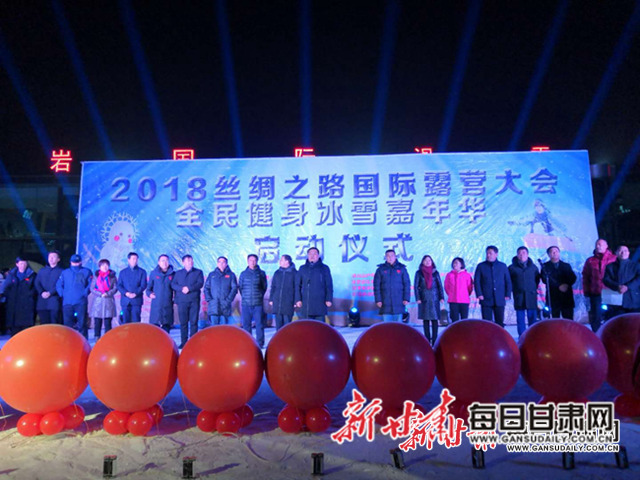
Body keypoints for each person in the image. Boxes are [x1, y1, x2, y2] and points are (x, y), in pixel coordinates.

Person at [582, 238, 616, 332]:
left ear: (606, 246)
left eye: (600, 244)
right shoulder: (590, 260)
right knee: (596, 316)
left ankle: (611, 334)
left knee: (612, 316)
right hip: (596, 292)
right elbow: (586, 277)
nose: (598, 246)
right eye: (597, 244)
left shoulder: (614, 259)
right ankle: (597, 335)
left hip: (611, 292)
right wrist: (586, 291)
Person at [171, 254, 204, 348]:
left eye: (191, 260)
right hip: (182, 301)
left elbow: (200, 283)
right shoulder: (178, 273)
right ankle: (184, 342)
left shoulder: (198, 272)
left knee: (194, 322)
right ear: (183, 262)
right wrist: (182, 288)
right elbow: (173, 284)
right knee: (183, 323)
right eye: (188, 261)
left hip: (194, 301)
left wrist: (189, 288)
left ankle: (193, 342)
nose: (190, 262)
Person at [56, 254, 93, 338]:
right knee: (67, 324)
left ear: (81, 262)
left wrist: (85, 293)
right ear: (70, 262)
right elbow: (59, 284)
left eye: (77, 262)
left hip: (81, 302)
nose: (76, 264)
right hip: (67, 302)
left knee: (82, 323)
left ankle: (83, 340)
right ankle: (68, 340)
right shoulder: (65, 272)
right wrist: (62, 294)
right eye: (74, 262)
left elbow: (91, 284)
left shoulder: (86, 271)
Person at [474, 246, 512, 327]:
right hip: (485, 298)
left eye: (490, 253)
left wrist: (508, 294)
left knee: (499, 322)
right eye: (487, 253)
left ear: (496, 254)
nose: (488, 255)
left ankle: (500, 335)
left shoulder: (502, 266)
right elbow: (477, 281)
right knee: (486, 322)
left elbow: (508, 281)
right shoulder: (481, 266)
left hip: (500, 298)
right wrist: (479, 294)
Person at [508, 246, 541, 338]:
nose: (521, 255)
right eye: (519, 253)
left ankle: (533, 336)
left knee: (532, 317)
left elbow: (537, 279)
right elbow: (509, 281)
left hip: (531, 295)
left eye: (523, 253)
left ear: (527, 254)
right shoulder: (511, 268)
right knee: (520, 318)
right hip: (519, 295)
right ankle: (522, 336)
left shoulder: (533, 267)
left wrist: (532, 288)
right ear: (517, 255)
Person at [295, 247, 333, 321]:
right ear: (307, 255)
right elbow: (297, 285)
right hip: (306, 303)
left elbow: (329, 285)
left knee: (319, 326)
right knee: (307, 326)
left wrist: (329, 299)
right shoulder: (302, 268)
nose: (312, 256)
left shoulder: (324, 268)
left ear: (318, 255)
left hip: (320, 303)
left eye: (314, 254)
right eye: (310, 254)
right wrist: (298, 299)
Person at [239, 254, 268, 347]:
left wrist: (259, 296)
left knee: (259, 324)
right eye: (250, 260)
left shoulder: (261, 273)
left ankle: (260, 343)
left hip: (257, 304)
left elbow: (264, 287)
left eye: (254, 260)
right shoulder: (243, 274)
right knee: (246, 325)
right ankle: (248, 343)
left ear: (257, 261)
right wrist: (246, 297)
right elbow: (241, 288)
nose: (252, 262)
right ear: (247, 261)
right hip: (246, 303)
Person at [414, 255, 444, 345]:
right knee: (426, 320)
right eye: (425, 260)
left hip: (434, 298)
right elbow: (416, 286)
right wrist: (418, 298)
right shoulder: (419, 273)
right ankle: (427, 340)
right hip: (424, 298)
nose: (427, 262)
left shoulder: (435, 272)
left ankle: (435, 340)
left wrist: (441, 297)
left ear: (432, 262)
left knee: (435, 320)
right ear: (422, 262)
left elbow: (440, 286)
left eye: (429, 260)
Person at [3, 257, 37, 336]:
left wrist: (29, 295)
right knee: (14, 332)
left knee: (26, 332)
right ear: (17, 264)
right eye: (21, 263)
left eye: (25, 263)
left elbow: (35, 289)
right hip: (14, 306)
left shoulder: (32, 275)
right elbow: (6, 287)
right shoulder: (11, 275)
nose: (23, 265)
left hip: (27, 306)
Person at [373, 249, 410, 322]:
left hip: (399, 301)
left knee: (398, 325)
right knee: (387, 326)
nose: (390, 258)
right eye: (388, 256)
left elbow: (407, 284)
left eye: (392, 256)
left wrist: (406, 298)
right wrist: (378, 300)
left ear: (395, 256)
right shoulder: (380, 270)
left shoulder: (402, 268)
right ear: (385, 257)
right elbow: (376, 286)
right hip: (385, 301)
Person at [603, 245, 640, 317]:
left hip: (633, 300)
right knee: (618, 321)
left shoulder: (636, 266)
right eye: (620, 251)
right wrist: (617, 286)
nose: (623, 253)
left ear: (628, 253)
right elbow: (606, 280)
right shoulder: (610, 266)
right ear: (616, 253)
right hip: (616, 301)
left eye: (625, 251)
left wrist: (628, 286)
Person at [541, 246, 577, 319]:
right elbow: (544, 279)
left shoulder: (566, 266)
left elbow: (573, 277)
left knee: (568, 320)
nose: (555, 253)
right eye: (552, 251)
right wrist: (558, 286)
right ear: (548, 254)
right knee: (554, 321)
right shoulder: (545, 266)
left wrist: (566, 285)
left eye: (556, 251)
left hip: (566, 297)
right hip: (553, 297)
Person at [204, 256, 238, 326]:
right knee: (214, 328)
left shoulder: (231, 275)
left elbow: (234, 289)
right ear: (217, 264)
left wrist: (228, 300)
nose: (221, 264)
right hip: (214, 305)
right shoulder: (212, 275)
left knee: (224, 328)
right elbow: (206, 288)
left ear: (226, 264)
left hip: (225, 305)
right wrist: (209, 300)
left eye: (223, 262)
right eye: (220, 262)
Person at [146, 254, 175, 333]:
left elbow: (175, 288)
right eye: (162, 261)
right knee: (155, 330)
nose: (165, 263)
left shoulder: (173, 274)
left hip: (168, 304)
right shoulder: (153, 274)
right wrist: (149, 294)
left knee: (166, 329)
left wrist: (175, 299)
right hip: (157, 304)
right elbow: (148, 289)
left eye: (166, 261)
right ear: (159, 262)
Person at [90, 259, 117, 339]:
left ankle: (108, 338)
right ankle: (97, 337)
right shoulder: (96, 276)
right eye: (103, 265)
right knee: (97, 321)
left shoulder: (112, 276)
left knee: (108, 321)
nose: (105, 267)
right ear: (99, 267)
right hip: (98, 301)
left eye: (106, 265)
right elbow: (92, 288)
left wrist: (107, 294)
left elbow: (115, 288)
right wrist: (100, 294)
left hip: (108, 300)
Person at [117, 252, 147, 323]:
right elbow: (119, 285)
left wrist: (135, 293)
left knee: (136, 321)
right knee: (125, 321)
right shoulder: (122, 272)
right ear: (128, 260)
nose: (135, 261)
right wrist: (126, 293)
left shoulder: (142, 272)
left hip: (137, 300)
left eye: (136, 259)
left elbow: (143, 285)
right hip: (125, 300)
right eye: (133, 259)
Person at [34, 250, 63, 324]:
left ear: (58, 259)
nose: (51, 259)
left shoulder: (61, 271)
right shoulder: (42, 271)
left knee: (54, 323)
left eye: (54, 257)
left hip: (54, 301)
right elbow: (37, 283)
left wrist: (50, 293)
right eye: (50, 257)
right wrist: (41, 292)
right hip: (42, 302)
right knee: (44, 323)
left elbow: (61, 284)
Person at [269, 255, 297, 330]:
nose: (280, 261)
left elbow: (297, 288)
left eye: (281, 260)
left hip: (288, 302)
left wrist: (296, 301)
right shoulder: (277, 273)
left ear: (287, 261)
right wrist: (271, 299)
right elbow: (273, 287)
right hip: (277, 302)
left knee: (287, 326)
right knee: (278, 326)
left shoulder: (294, 273)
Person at [444, 257, 473, 322]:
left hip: (464, 301)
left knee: (464, 320)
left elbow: (469, 287)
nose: (454, 264)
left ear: (461, 264)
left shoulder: (467, 275)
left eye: (456, 263)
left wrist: (464, 294)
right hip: (453, 300)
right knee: (454, 320)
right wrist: (451, 294)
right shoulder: (449, 275)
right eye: (453, 263)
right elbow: (446, 287)